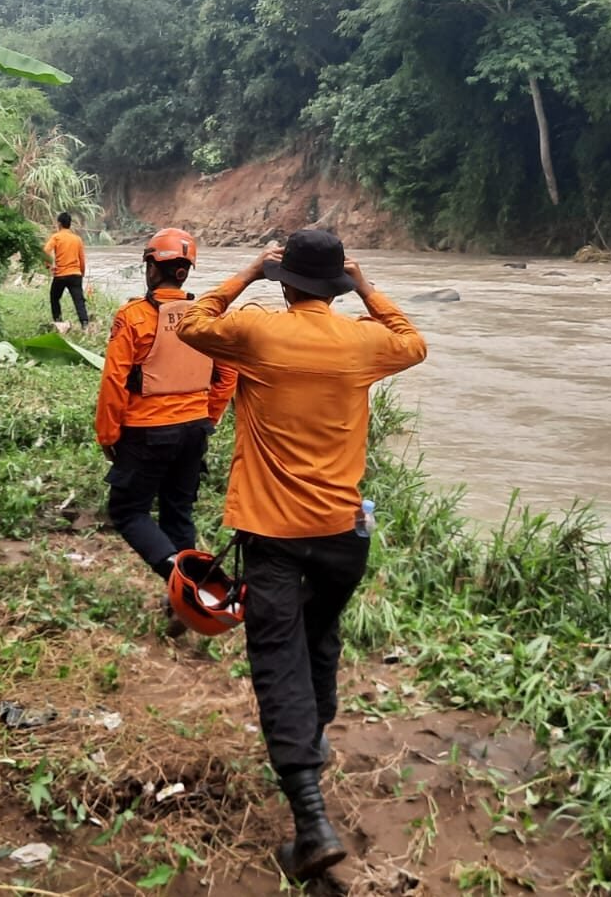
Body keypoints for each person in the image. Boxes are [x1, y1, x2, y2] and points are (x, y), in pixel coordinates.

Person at [177, 229, 427, 882]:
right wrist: (367, 287)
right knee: (319, 638)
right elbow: (413, 341)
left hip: (274, 536)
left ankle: (311, 823)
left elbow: (192, 323)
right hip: (344, 537)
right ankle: (314, 738)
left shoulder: (258, 334)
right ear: (337, 286)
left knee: (278, 663)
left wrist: (248, 273)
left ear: (284, 281)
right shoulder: (364, 343)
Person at [96, 228, 237, 633]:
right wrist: (209, 416)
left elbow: (114, 380)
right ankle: (181, 603)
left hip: (146, 432)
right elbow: (228, 374)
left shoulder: (133, 317)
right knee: (178, 512)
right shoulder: (206, 318)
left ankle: (184, 583)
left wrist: (108, 435)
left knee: (127, 511)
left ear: (153, 269)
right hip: (194, 430)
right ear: (184, 272)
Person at [43, 211, 88, 327]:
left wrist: (48, 265)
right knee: (79, 301)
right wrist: (82, 273)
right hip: (75, 274)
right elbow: (82, 258)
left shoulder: (56, 237)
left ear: (59, 224)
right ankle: (85, 324)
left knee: (54, 298)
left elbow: (46, 251)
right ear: (69, 224)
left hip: (61, 275)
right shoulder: (77, 239)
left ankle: (58, 322)